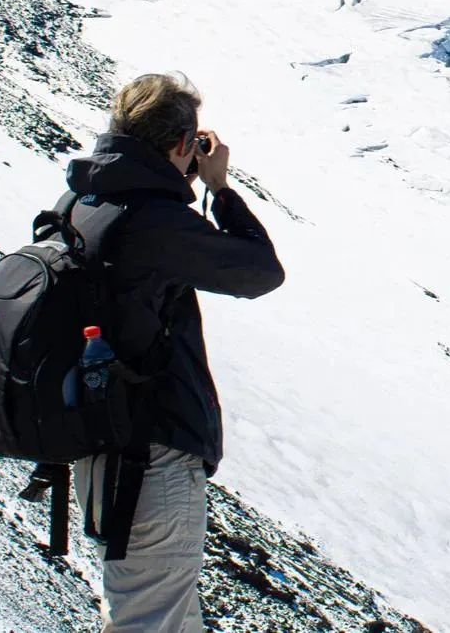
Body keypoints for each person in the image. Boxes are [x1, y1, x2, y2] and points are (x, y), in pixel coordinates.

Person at [64, 73, 285, 632]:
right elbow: (260, 271)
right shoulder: (151, 219)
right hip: (151, 458)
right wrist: (221, 189)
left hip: (102, 448)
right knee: (151, 622)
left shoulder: (83, 201)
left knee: (168, 618)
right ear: (184, 145)